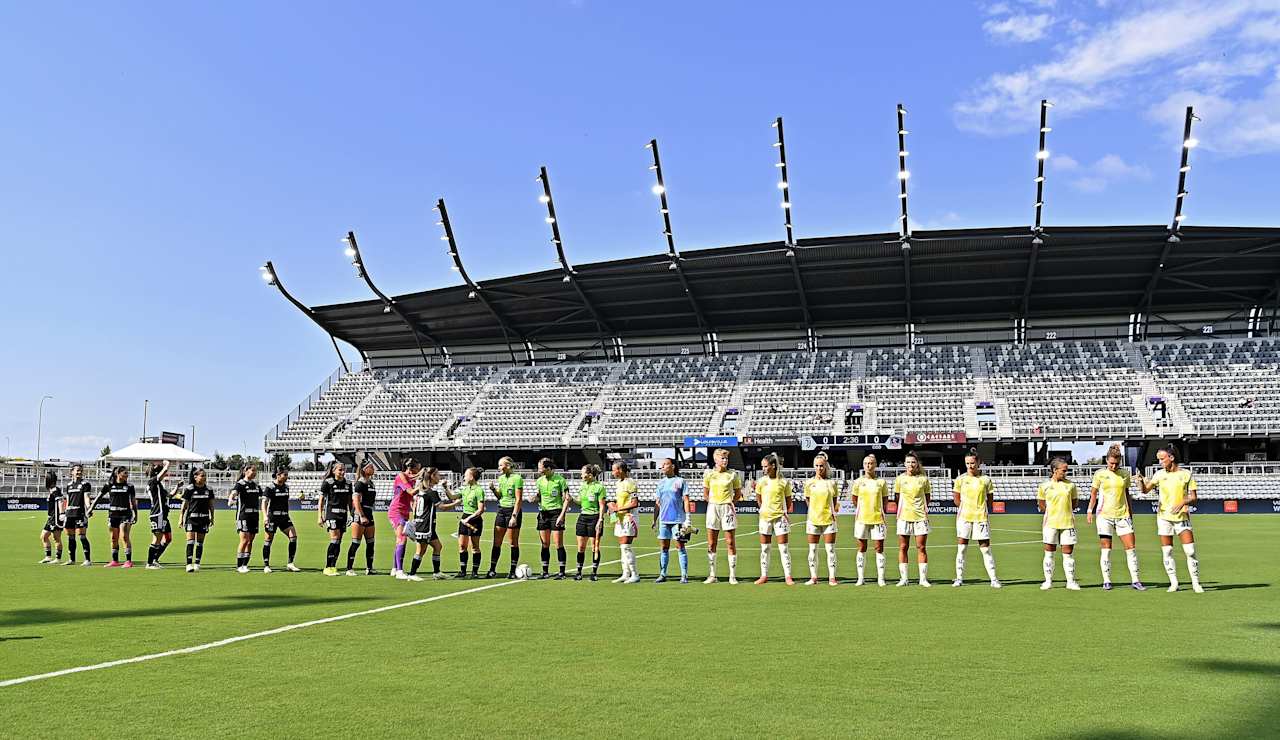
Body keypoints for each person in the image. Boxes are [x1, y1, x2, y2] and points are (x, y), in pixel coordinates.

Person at [1136, 447, 1203, 593]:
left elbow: (1193, 497)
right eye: (1159, 459)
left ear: (1171, 458)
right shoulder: (1159, 474)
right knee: (1167, 551)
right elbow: (1145, 490)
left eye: (1162, 459)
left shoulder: (1186, 474)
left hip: (1182, 517)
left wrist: (1182, 503)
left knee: (1190, 551)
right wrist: (1140, 482)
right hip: (1163, 518)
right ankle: (1174, 583)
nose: (1159, 462)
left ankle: (1196, 583)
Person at [1087, 444, 1145, 591]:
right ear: (1106, 460)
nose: (1113, 466)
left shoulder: (1124, 474)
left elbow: (1126, 494)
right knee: (1106, 549)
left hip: (1123, 515)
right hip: (1104, 516)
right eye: (1111, 463)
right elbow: (1093, 494)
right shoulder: (1099, 474)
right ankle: (1106, 580)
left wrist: (1130, 513)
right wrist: (1089, 511)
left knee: (1131, 548)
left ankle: (1136, 580)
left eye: (1116, 463)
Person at [952, 449, 1001, 588]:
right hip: (964, 518)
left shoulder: (985, 480)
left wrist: (981, 509)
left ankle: (993, 579)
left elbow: (990, 499)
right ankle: (959, 578)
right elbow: (956, 499)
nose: (970, 466)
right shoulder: (960, 479)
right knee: (961, 548)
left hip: (980, 518)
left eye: (972, 463)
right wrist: (966, 508)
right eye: (967, 463)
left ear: (979, 462)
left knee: (985, 549)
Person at [403, 467, 460, 581]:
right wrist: (457, 503)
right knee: (421, 550)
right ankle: (412, 574)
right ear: (432, 476)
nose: (439, 477)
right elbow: (442, 507)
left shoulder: (421, 490)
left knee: (437, 546)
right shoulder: (431, 492)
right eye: (437, 475)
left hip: (423, 524)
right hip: (425, 526)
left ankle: (437, 572)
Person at [1037, 458, 1081, 590]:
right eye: (1063, 470)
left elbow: (1074, 502)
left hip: (1068, 523)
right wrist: (1052, 513)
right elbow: (1041, 503)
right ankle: (1048, 581)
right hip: (1050, 524)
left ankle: (1071, 582)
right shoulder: (1044, 486)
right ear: (1054, 470)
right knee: (1049, 553)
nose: (1066, 472)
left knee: (1068, 554)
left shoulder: (1070, 485)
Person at [753, 453, 795, 585]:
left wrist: (782, 512)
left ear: (773, 466)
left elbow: (788, 502)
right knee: (765, 548)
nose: (763, 469)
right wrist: (765, 510)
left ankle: (788, 576)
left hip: (780, 518)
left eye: (765, 466)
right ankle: (764, 575)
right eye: (762, 467)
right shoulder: (761, 482)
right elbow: (759, 500)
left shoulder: (783, 482)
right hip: (765, 518)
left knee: (783, 548)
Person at [702, 448, 743, 584]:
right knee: (711, 543)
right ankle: (712, 575)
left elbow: (738, 493)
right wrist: (713, 503)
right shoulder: (709, 474)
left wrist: (730, 504)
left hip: (727, 508)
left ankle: (732, 575)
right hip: (713, 508)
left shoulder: (732, 474)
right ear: (716, 460)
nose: (725, 460)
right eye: (722, 458)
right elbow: (706, 493)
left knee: (730, 542)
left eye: (726, 458)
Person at [893, 452, 931, 587]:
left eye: (913, 462)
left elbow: (927, 498)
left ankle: (923, 579)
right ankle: (904, 579)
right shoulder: (899, 479)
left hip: (920, 517)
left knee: (921, 547)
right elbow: (897, 498)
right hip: (904, 517)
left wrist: (921, 509)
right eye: (908, 462)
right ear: (904, 464)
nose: (911, 464)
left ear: (917, 464)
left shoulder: (923, 479)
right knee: (903, 547)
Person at [850, 454, 888, 587]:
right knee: (861, 547)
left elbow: (884, 500)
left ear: (875, 465)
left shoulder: (881, 482)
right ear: (863, 465)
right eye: (866, 463)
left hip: (877, 519)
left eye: (871, 463)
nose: (868, 466)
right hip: (861, 519)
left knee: (879, 548)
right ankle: (861, 578)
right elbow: (854, 499)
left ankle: (881, 578)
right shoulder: (858, 482)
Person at [651, 458, 691, 584]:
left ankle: (684, 575)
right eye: (662, 465)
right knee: (664, 547)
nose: (662, 466)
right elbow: (657, 502)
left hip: (678, 519)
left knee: (680, 546)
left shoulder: (680, 481)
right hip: (664, 520)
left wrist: (688, 518)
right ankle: (663, 574)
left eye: (665, 464)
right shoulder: (661, 483)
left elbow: (686, 500)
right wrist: (655, 519)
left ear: (672, 466)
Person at [803, 453, 840, 586]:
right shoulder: (809, 483)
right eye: (817, 466)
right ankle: (813, 577)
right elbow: (808, 500)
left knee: (830, 549)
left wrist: (829, 512)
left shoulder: (832, 483)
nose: (819, 468)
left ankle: (832, 577)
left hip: (829, 520)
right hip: (813, 520)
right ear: (814, 467)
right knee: (812, 549)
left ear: (826, 466)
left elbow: (835, 501)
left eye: (822, 466)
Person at [486, 456, 524, 579]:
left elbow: (518, 499)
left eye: (500, 465)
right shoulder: (501, 478)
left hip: (513, 512)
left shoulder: (517, 478)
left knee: (513, 543)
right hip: (501, 510)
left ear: (508, 466)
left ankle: (512, 571)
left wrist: (514, 516)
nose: (499, 468)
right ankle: (492, 570)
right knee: (497, 542)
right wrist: (493, 490)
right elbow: (500, 496)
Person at [93, 466, 138, 568]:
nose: (127, 475)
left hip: (125, 514)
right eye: (125, 473)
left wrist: (136, 514)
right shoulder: (109, 485)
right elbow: (98, 497)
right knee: (114, 538)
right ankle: (114, 561)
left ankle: (128, 561)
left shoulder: (130, 486)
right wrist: (91, 508)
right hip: (113, 515)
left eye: (127, 473)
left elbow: (133, 502)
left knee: (124, 536)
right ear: (118, 473)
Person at [534, 458, 569, 580]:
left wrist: (562, 515)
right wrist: (534, 498)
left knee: (558, 544)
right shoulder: (539, 481)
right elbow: (539, 496)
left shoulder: (560, 480)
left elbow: (566, 499)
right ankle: (545, 572)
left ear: (548, 468)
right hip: (543, 514)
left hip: (556, 513)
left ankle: (562, 572)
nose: (539, 470)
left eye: (540, 468)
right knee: (545, 544)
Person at [608, 461, 641, 584]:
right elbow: (620, 502)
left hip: (629, 517)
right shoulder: (618, 483)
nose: (612, 472)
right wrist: (612, 508)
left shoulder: (631, 483)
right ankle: (625, 573)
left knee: (626, 546)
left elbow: (634, 503)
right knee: (622, 547)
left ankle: (635, 574)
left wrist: (617, 508)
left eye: (614, 470)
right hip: (620, 518)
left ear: (620, 470)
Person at [571, 464, 606, 581]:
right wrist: (571, 499)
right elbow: (580, 502)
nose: (581, 475)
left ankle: (594, 573)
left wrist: (600, 519)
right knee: (581, 547)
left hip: (595, 518)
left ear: (590, 475)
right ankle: (579, 572)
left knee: (594, 547)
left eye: (583, 473)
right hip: (582, 517)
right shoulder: (582, 486)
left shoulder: (599, 487)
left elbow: (602, 506)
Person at [262, 467, 300, 572]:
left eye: (287, 475)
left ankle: (290, 563)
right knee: (268, 540)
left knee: (293, 537)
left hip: (284, 517)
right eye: (285, 475)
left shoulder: (286, 487)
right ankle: (266, 565)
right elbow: (264, 503)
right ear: (278, 475)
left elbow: (285, 501)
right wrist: (265, 516)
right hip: (273, 517)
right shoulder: (270, 487)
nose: (287, 477)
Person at [319, 462, 354, 577]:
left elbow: (350, 501)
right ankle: (327, 567)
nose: (343, 472)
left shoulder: (348, 484)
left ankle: (333, 566)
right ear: (334, 471)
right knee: (334, 539)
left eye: (344, 470)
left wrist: (352, 514)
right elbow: (321, 501)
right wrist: (320, 515)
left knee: (339, 541)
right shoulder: (328, 483)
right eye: (340, 470)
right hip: (331, 514)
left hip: (343, 515)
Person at [388, 458, 421, 578]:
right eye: (418, 468)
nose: (419, 470)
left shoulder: (411, 479)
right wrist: (422, 484)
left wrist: (415, 509)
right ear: (411, 468)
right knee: (402, 539)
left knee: (400, 540)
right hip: (396, 511)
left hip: (405, 512)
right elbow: (411, 492)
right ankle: (399, 571)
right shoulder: (401, 476)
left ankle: (395, 568)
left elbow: (411, 498)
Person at [228, 463, 263, 574]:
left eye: (255, 471)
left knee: (250, 541)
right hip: (243, 516)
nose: (255, 473)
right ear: (246, 471)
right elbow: (233, 493)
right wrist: (231, 499)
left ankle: (245, 564)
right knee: (244, 540)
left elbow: (264, 496)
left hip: (254, 516)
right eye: (253, 470)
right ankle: (239, 566)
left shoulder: (256, 485)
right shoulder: (240, 484)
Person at [179, 468, 216, 573]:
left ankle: (197, 563)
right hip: (191, 518)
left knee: (200, 543)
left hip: (204, 518)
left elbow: (211, 505)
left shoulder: (209, 489)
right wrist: (181, 518)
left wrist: (212, 517)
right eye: (202, 475)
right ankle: (189, 564)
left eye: (205, 476)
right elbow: (184, 506)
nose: (204, 477)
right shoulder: (190, 489)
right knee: (190, 541)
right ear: (195, 477)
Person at [348, 461, 378, 576]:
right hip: (360, 515)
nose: (373, 468)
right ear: (364, 469)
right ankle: (349, 569)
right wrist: (361, 516)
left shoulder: (371, 483)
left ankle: (369, 568)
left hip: (369, 514)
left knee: (371, 543)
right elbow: (355, 501)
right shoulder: (360, 483)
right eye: (370, 467)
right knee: (356, 543)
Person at [455, 467, 486, 578]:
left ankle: (474, 572)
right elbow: (453, 497)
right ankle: (463, 571)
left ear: (471, 477)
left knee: (474, 546)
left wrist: (468, 519)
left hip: (475, 520)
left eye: (466, 475)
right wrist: (445, 488)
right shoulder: (465, 489)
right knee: (462, 545)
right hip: (465, 517)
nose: (464, 477)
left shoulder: (479, 490)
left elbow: (481, 509)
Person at [146, 461, 176, 569]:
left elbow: (170, 495)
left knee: (167, 538)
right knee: (157, 538)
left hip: (163, 515)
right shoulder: (153, 482)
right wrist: (167, 464)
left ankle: (154, 559)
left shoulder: (158, 485)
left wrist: (177, 487)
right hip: (157, 513)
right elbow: (164, 471)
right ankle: (149, 563)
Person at [62, 465, 93, 566]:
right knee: (70, 537)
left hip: (80, 514)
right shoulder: (69, 485)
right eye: (77, 470)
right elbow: (67, 500)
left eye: (81, 471)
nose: (79, 472)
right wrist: (64, 512)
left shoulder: (85, 484)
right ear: (72, 472)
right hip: (69, 514)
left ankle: (87, 560)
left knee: (82, 536)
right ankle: (72, 559)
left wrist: (89, 508)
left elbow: (86, 498)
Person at [39, 471, 65, 564]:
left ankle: (58, 558)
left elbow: (61, 501)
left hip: (56, 518)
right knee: (44, 536)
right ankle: (48, 557)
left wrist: (62, 513)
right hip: (51, 518)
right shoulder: (51, 490)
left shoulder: (55, 490)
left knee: (56, 538)